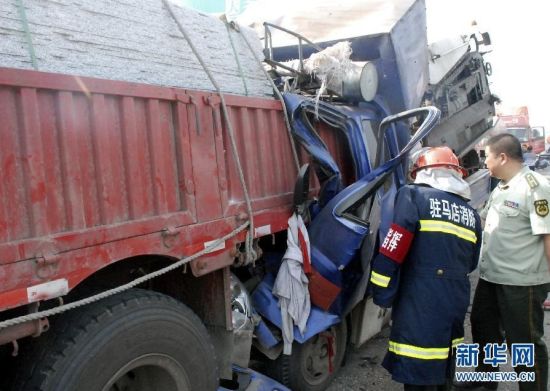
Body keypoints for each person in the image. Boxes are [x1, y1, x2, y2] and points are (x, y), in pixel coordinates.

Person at [370, 147, 482, 390]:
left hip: (422, 299)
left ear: (422, 172)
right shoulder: (471, 213)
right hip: (455, 297)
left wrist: (381, 291)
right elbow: (472, 262)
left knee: (419, 368)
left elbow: (393, 247)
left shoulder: (414, 196)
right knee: (443, 365)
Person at [455, 133, 550, 391]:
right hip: (492, 276)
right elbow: (484, 221)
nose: (485, 162)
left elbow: (548, 236)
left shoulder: (534, 186)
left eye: (487, 157)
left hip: (521, 282)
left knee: (525, 342)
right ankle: (486, 378)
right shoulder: (503, 186)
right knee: (483, 327)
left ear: (503, 157)